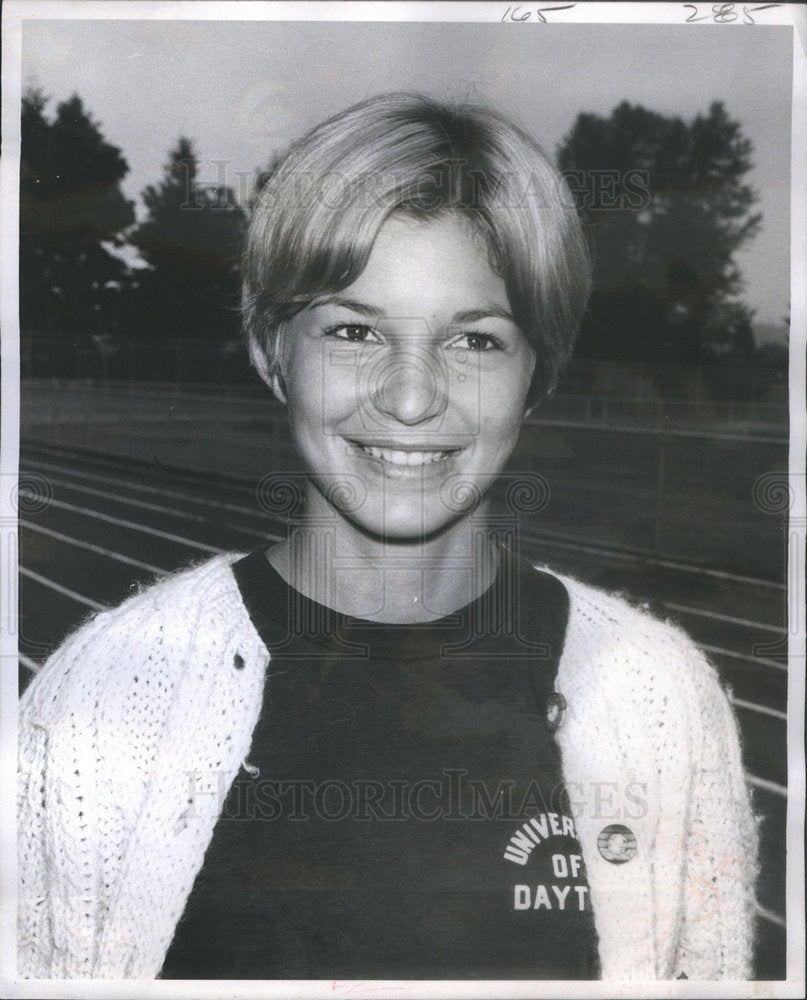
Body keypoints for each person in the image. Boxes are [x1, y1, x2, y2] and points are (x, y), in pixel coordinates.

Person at [17, 93, 758, 981]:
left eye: (475, 340)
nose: (411, 398)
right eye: (355, 330)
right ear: (271, 351)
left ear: (536, 373)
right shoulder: (101, 701)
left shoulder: (658, 699)